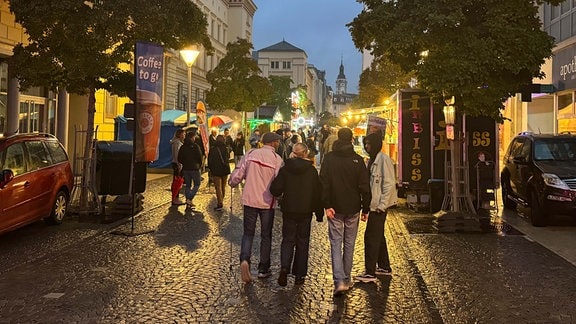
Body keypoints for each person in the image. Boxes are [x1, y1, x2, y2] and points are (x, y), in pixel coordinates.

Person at [319, 127, 371, 296]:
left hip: (334, 206)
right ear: (351, 140)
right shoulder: (357, 160)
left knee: (335, 242)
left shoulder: (329, 158)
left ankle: (339, 280)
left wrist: (326, 204)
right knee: (349, 243)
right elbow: (364, 185)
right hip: (353, 207)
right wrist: (366, 207)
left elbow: (323, 183)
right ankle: (346, 279)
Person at [229, 132, 284, 283]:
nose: (279, 144)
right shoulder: (277, 159)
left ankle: (245, 259)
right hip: (267, 203)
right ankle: (263, 269)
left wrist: (232, 182)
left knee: (248, 233)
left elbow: (237, 175)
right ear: (273, 143)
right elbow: (279, 183)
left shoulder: (250, 154)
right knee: (266, 235)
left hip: (250, 200)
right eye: (277, 142)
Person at [269, 143, 324, 287]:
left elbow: (275, 189)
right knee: (302, 242)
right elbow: (318, 193)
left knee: (287, 240)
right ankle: (299, 275)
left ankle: (284, 268)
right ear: (305, 153)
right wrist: (319, 213)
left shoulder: (286, 169)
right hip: (306, 211)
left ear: (293, 153)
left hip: (289, 210)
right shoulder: (311, 171)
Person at [355, 131, 398, 283]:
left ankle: (370, 271)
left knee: (371, 237)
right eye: (365, 144)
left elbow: (389, 183)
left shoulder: (383, 160)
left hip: (378, 206)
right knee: (378, 236)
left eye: (368, 144)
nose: (366, 146)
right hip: (375, 205)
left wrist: (382, 205)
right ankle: (384, 267)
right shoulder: (372, 160)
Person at [178, 131, 203, 209]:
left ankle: (188, 201)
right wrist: (199, 165)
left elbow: (179, 158)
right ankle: (189, 198)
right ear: (192, 137)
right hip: (194, 168)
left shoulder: (183, 146)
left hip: (186, 168)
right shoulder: (195, 146)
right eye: (194, 137)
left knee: (188, 185)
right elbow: (200, 157)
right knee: (197, 184)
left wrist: (184, 163)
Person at [208, 135, 231, 211]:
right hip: (225, 170)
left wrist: (210, 169)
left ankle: (220, 203)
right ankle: (221, 200)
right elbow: (227, 158)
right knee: (223, 186)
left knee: (218, 187)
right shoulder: (226, 148)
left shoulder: (213, 149)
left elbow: (210, 160)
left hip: (216, 170)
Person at [170, 128, 186, 205]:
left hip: (176, 164)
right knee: (177, 182)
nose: (184, 135)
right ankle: (175, 198)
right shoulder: (177, 143)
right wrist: (179, 165)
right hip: (177, 164)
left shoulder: (177, 142)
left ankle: (175, 198)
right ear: (179, 135)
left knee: (177, 182)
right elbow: (177, 155)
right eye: (183, 134)